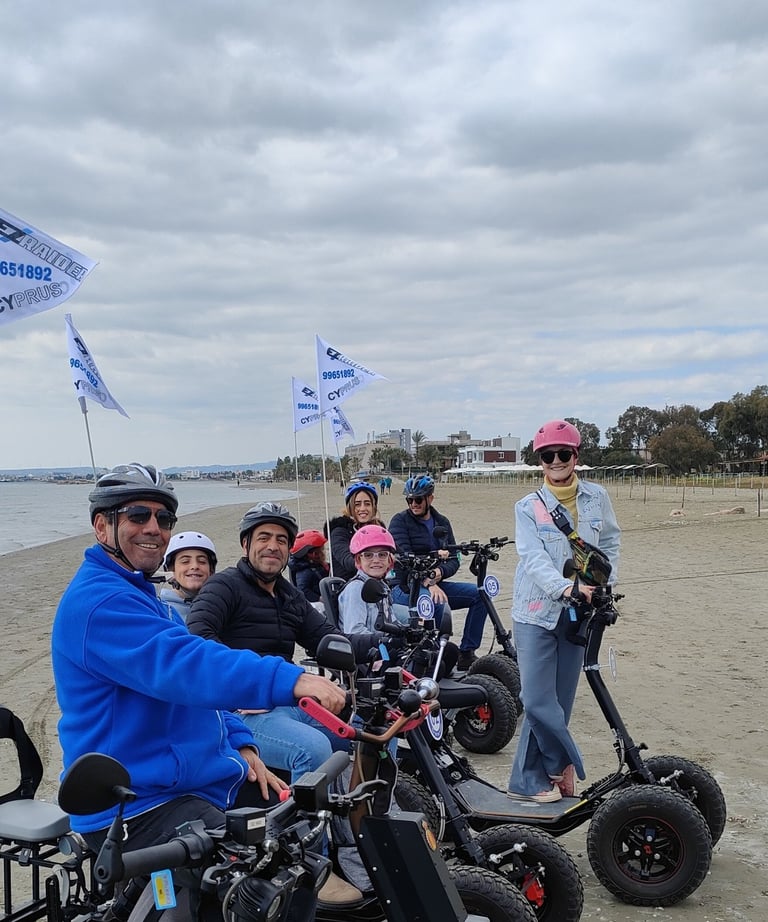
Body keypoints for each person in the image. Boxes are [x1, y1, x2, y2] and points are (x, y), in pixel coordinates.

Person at [51, 463, 346, 919]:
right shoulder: (99, 603)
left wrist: (242, 742)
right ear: (102, 526)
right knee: (263, 886)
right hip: (137, 803)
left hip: (196, 782)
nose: (153, 527)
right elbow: (185, 666)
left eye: (163, 518)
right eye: (137, 515)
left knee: (298, 839)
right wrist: (287, 679)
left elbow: (201, 693)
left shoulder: (148, 600)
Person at [187, 502, 380, 783]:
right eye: (263, 537)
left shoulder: (289, 595)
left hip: (291, 702)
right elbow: (197, 640)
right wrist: (247, 686)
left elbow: (328, 638)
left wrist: (383, 642)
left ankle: (354, 808)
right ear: (245, 544)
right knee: (312, 749)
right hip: (242, 711)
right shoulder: (223, 586)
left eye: (281, 540)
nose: (272, 546)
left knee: (369, 734)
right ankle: (302, 814)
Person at [507, 420, 621, 803]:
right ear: (540, 461)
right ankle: (562, 765)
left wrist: (604, 584)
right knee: (536, 700)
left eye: (563, 453)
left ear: (576, 456)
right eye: (547, 455)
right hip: (536, 610)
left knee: (560, 701)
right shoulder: (528, 507)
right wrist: (565, 587)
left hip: (580, 611)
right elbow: (533, 558)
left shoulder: (597, 497)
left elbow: (609, 542)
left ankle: (528, 781)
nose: (555, 461)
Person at [388, 474, 488, 670]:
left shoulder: (442, 522)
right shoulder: (399, 521)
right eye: (409, 500)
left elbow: (453, 559)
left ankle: (467, 653)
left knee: (480, 595)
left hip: (434, 584)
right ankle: (432, 655)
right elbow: (404, 558)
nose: (413, 504)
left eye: (418, 499)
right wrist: (429, 580)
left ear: (430, 498)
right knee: (436, 604)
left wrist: (439, 572)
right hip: (405, 587)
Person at [337, 524, 408, 638]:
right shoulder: (356, 589)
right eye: (368, 555)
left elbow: (391, 621)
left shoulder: (382, 586)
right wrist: (387, 641)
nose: (376, 560)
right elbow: (355, 632)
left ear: (389, 560)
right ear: (358, 560)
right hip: (369, 648)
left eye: (382, 555)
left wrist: (407, 633)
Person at [326, 482, 385, 580]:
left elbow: (394, 549)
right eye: (357, 504)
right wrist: (371, 562)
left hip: (376, 582)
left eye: (367, 504)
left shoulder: (378, 528)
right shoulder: (339, 532)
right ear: (350, 507)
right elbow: (346, 559)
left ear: (373, 507)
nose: (362, 508)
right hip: (348, 584)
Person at [159, 530, 217, 621]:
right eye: (185, 561)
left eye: (202, 561)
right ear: (171, 568)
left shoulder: (223, 603)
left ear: (211, 569)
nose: (195, 566)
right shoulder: (159, 608)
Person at [287, 528, 329, 605]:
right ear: (314, 554)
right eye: (322, 549)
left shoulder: (316, 565)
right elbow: (303, 590)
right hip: (318, 605)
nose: (324, 552)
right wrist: (318, 598)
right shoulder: (305, 572)